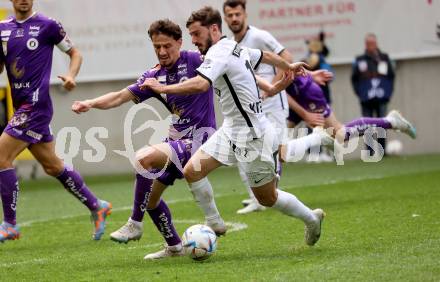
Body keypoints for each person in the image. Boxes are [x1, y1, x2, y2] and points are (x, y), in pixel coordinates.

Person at [141, 6, 325, 249]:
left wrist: (161, 88)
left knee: (267, 198)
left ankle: (312, 219)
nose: (193, 41)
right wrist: (287, 67)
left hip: (253, 137)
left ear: (214, 29)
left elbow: (199, 85)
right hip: (231, 130)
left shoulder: (219, 53)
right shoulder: (232, 47)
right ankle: (214, 223)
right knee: (192, 171)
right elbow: (264, 56)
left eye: (196, 34)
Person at [72, 19, 226, 260]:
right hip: (175, 139)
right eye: (157, 47)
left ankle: (135, 223)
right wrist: (89, 103)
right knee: (150, 200)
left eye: (167, 46)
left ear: (179, 42)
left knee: (143, 158)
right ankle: (174, 246)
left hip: (200, 139)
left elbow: (229, 67)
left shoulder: (195, 60)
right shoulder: (154, 76)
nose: (162, 52)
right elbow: (119, 97)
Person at [0, 0, 111, 243]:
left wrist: (71, 76)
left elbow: (75, 53)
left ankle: (10, 223)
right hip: (22, 107)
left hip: (36, 106)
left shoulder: (47, 25)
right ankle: (97, 205)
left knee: (1, 157)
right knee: (53, 167)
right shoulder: (2, 29)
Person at [223, 0, 329, 214]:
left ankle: (317, 139)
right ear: (225, 18)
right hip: (254, 106)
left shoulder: (259, 36)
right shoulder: (234, 43)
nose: (234, 18)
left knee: (279, 152)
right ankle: (257, 197)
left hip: (274, 104)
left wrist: (273, 87)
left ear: (245, 14)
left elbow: (287, 58)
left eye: (237, 14)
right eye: (230, 15)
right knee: (245, 148)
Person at [265, 71, 416, 162]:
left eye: (239, 14)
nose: (239, 18)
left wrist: (305, 113)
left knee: (340, 134)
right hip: (286, 95)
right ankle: (265, 197)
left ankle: (390, 121)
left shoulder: (258, 39)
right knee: (279, 150)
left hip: (302, 93)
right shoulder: (244, 48)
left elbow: (285, 61)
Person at [351, 33, 395, 155]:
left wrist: (389, 92)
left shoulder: (384, 58)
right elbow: (354, 79)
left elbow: (391, 76)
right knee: (367, 124)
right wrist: (359, 93)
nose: (371, 46)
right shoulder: (359, 60)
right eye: (369, 44)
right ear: (366, 45)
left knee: (382, 123)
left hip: (382, 98)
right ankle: (370, 151)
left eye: (373, 43)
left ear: (376, 44)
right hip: (366, 98)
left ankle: (382, 151)